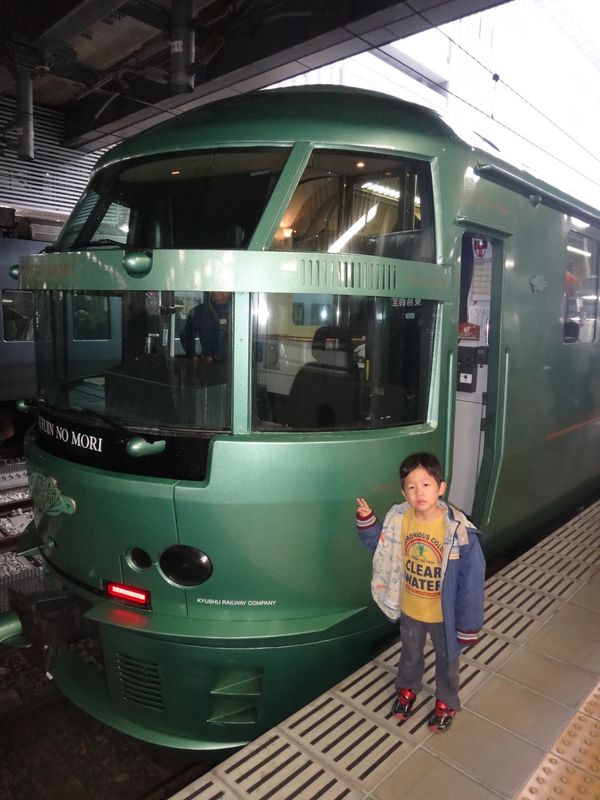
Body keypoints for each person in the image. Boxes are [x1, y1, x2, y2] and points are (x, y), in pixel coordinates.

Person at [355, 452, 485, 733]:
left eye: (426, 484)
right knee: (410, 654)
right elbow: (383, 551)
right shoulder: (399, 519)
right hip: (411, 608)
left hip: (444, 615)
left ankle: (446, 701)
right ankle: (407, 688)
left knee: (448, 660)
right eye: (411, 487)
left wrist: (469, 625)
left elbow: (472, 585)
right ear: (404, 493)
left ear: (441, 488)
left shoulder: (460, 532)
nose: (419, 492)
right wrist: (368, 523)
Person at [179, 291, 231, 362]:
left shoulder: (239, 310)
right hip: (209, 362)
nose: (225, 293)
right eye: (220, 289)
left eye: (227, 290)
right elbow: (186, 336)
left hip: (235, 360)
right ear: (210, 292)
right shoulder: (199, 311)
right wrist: (193, 356)